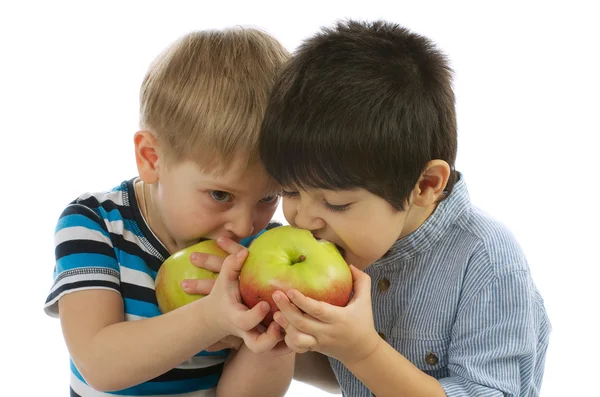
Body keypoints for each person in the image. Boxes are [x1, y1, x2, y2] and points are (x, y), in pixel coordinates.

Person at [258, 20, 551, 397]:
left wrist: (364, 351)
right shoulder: (354, 243)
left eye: (335, 203)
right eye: (290, 191)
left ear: (426, 186)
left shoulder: (487, 263)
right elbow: (348, 375)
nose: (302, 219)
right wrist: (277, 333)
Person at [43, 27, 295, 396]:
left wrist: (271, 339)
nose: (245, 225)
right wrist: (209, 319)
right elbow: (99, 363)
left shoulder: (265, 252)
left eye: (268, 198)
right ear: (152, 158)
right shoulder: (94, 224)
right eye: (221, 195)